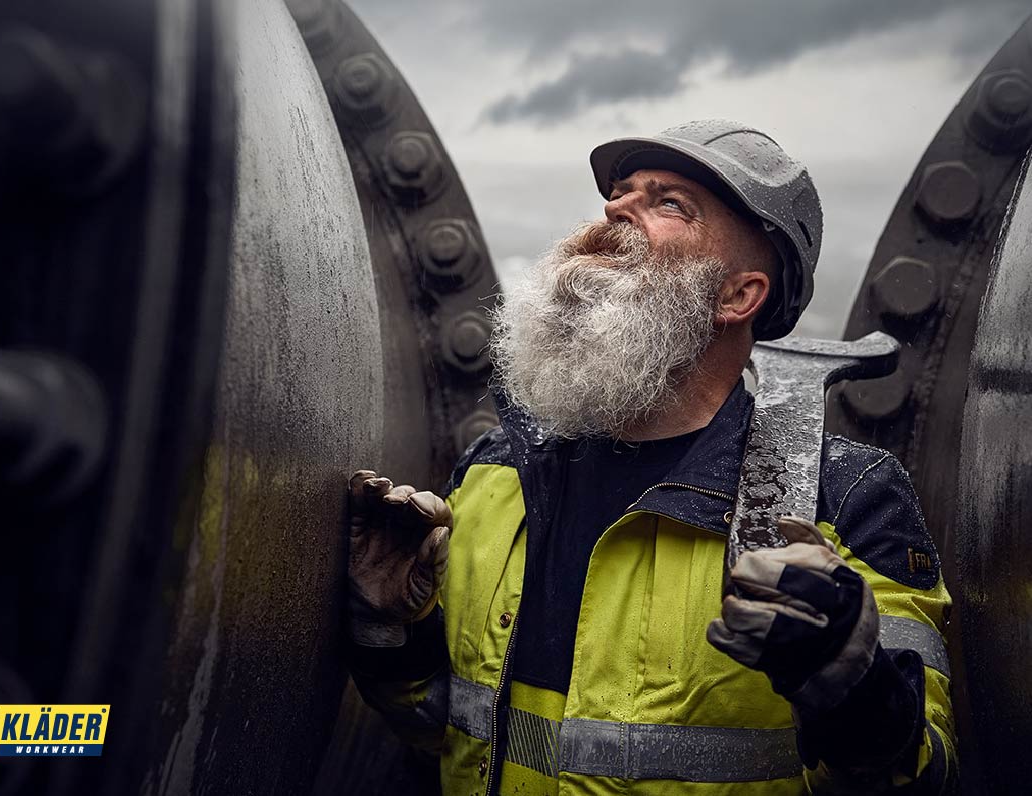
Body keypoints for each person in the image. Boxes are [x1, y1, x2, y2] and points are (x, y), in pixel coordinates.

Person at [346, 120, 955, 795]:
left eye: (669, 203)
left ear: (738, 295)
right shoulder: (495, 473)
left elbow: (925, 775)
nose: (615, 208)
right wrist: (394, 626)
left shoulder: (844, 498)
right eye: (620, 192)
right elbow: (441, 731)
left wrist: (849, 678)